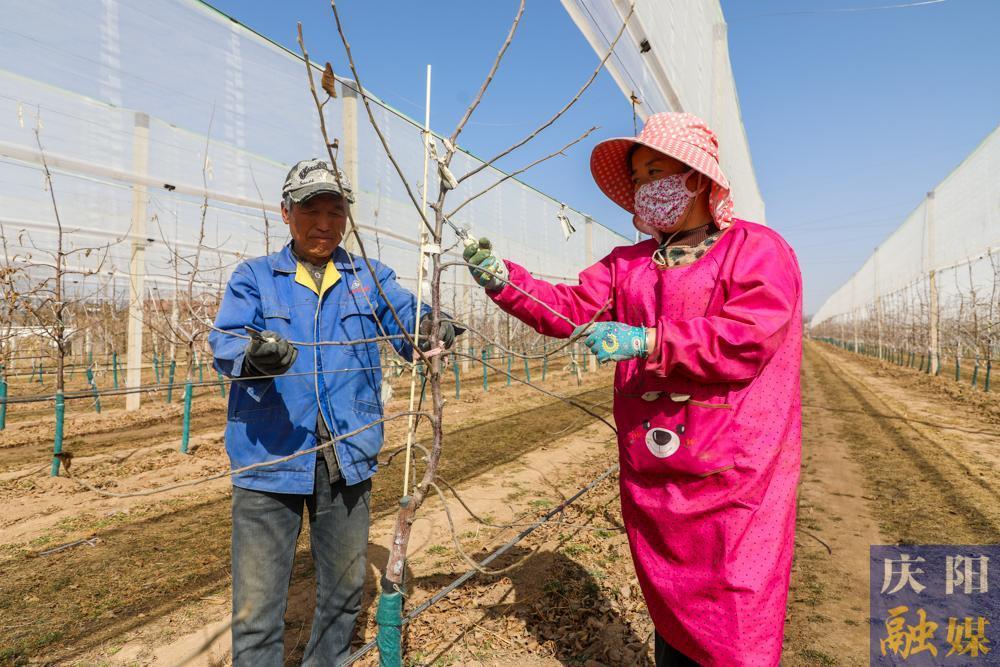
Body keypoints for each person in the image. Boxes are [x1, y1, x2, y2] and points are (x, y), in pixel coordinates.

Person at [464, 113, 802, 666]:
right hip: (656, 471)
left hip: (734, 478)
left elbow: (748, 337)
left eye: (657, 171)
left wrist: (649, 340)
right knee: (669, 602)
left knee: (735, 612)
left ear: (697, 178)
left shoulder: (755, 250)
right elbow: (566, 309)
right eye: (640, 178)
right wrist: (505, 279)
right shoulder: (629, 266)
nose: (647, 188)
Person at [209, 159, 457, 665]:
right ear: (286, 213)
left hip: (349, 453)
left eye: (335, 210)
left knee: (344, 595)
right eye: (310, 210)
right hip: (269, 457)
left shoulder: (368, 276)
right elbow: (226, 342)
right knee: (257, 608)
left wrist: (433, 324)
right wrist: (254, 357)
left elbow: (407, 322)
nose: (324, 222)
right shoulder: (257, 277)